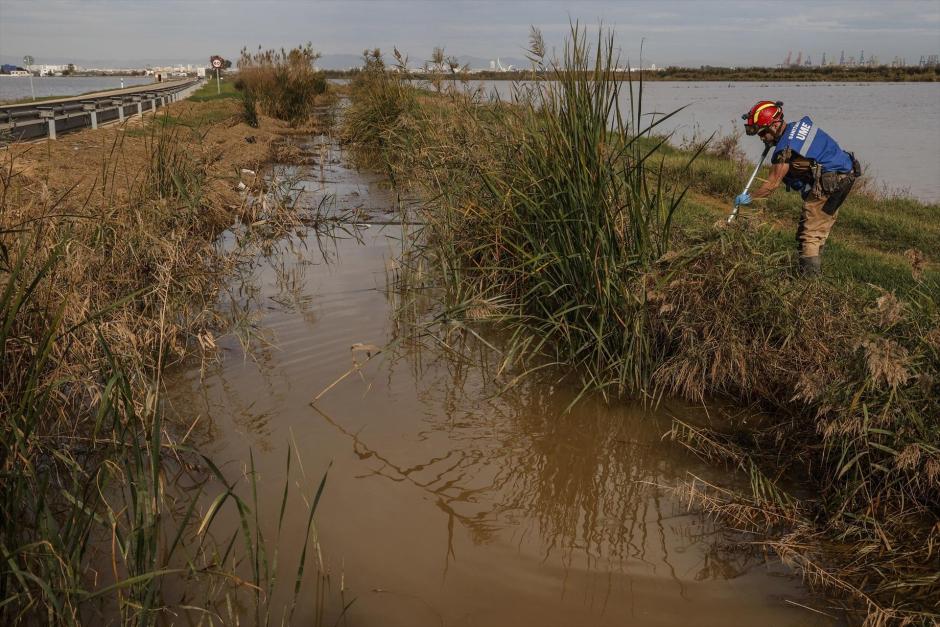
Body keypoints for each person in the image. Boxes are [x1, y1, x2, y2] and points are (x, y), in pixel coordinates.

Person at [734, 100, 861, 276]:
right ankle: (807, 271)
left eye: (762, 132)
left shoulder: (785, 149)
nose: (761, 138)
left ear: (775, 125)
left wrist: (750, 197)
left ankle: (809, 285)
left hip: (832, 180)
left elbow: (771, 185)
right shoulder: (795, 128)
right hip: (846, 173)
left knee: (809, 235)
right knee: (814, 229)